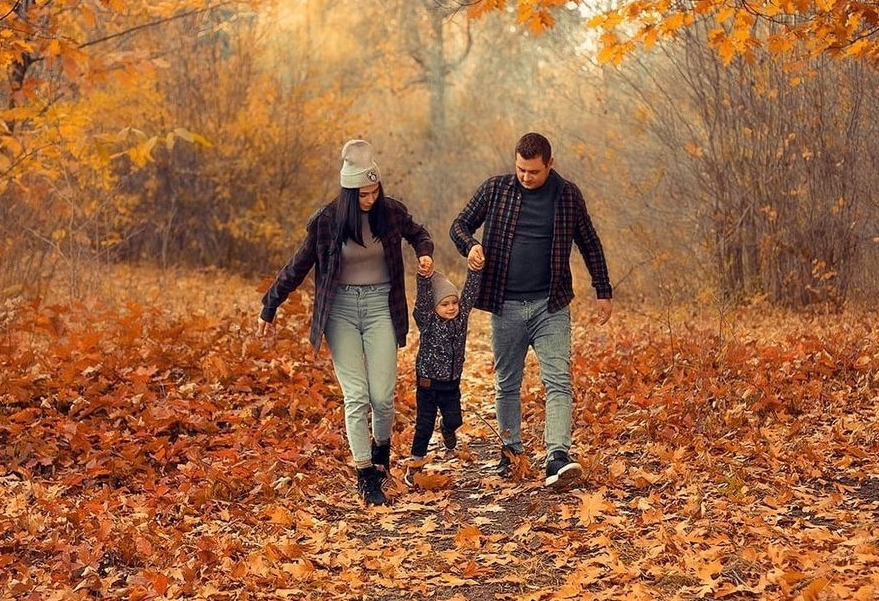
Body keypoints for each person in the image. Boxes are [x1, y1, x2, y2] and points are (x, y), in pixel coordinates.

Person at [256, 139, 434, 506]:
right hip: (340, 312)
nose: (370, 199)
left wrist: (425, 254)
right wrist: (269, 305)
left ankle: (382, 450)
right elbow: (297, 266)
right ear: (350, 194)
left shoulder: (391, 213)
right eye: (363, 194)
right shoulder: (327, 222)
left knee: (383, 398)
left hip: (381, 305)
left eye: (374, 191)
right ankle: (365, 474)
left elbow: (419, 234)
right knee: (357, 396)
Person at [450, 131, 612, 490]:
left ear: (549, 165)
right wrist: (471, 246)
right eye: (521, 169)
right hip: (504, 304)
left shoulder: (567, 195)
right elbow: (458, 226)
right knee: (507, 382)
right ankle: (511, 451)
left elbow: (590, 243)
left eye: (534, 171)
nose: (526, 177)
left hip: (550, 304)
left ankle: (558, 456)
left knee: (557, 380)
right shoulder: (495, 190)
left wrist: (603, 290)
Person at [403, 264, 484, 486]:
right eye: (444, 304)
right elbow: (422, 301)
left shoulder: (461, 318)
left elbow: (470, 291)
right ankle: (415, 466)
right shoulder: (427, 322)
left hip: (451, 385)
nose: (451, 308)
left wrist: (476, 269)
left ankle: (447, 430)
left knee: (454, 420)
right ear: (434, 306)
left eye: (454, 303)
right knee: (424, 427)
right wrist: (423, 277)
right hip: (428, 386)